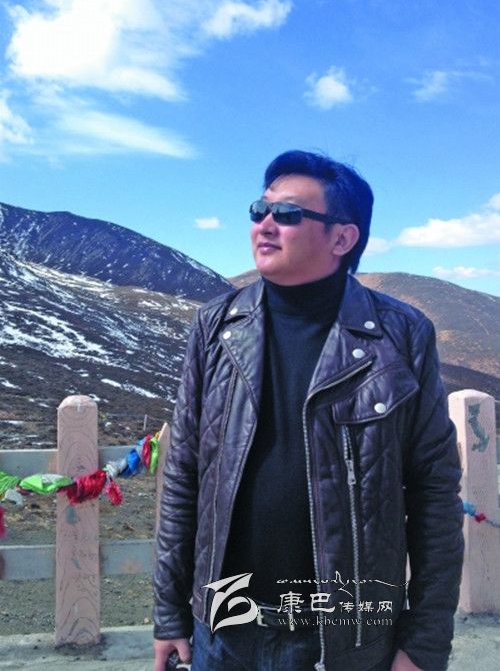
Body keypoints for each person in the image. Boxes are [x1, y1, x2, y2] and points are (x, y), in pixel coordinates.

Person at [153, 150, 464, 671]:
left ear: (342, 238)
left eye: (288, 213)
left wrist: (425, 644)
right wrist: (169, 614)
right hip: (224, 631)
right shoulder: (216, 327)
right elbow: (184, 475)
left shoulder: (401, 335)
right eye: (260, 210)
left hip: (347, 637)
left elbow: (434, 493)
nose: (265, 224)